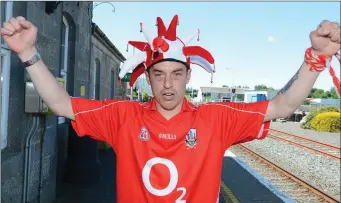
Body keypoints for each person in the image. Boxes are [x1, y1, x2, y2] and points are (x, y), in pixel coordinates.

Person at [1, 14, 340, 203]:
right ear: (147, 78)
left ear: (188, 75)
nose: (167, 84)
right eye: (159, 75)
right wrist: (28, 53)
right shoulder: (124, 116)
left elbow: (283, 105)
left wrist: (317, 58)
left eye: (176, 74)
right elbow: (61, 103)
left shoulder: (216, 119)